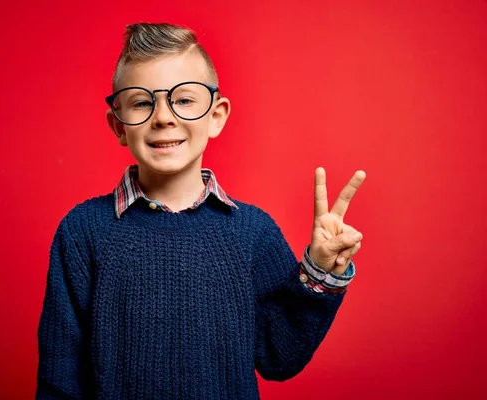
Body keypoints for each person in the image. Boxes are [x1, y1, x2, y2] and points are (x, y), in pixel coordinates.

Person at [36, 22, 366, 399]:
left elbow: (278, 357)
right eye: (142, 101)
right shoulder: (82, 232)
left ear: (217, 116)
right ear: (118, 125)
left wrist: (319, 271)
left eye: (184, 99)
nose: (163, 117)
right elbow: (59, 378)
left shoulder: (252, 232)